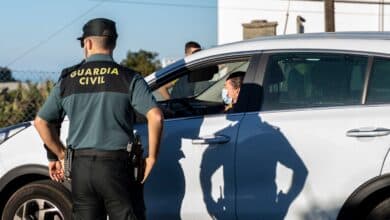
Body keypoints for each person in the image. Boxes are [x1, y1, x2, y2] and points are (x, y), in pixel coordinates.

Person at [34, 18, 164, 220]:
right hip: (117, 167)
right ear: (114, 43)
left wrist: (58, 155)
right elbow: (155, 116)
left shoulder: (68, 80)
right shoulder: (128, 78)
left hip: (81, 168)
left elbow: (42, 122)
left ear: (87, 43)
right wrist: (152, 157)